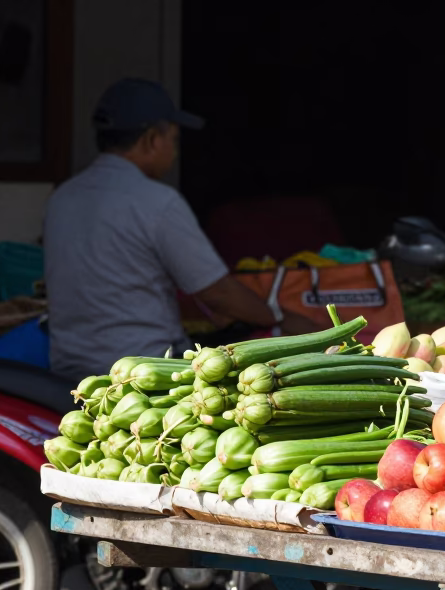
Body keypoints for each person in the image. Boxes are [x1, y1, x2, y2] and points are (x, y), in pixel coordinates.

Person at [43, 78, 320, 379]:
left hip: (68, 373)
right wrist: (281, 318)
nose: (175, 153)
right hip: (144, 372)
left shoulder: (62, 198)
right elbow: (218, 293)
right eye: (173, 140)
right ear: (151, 139)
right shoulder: (156, 201)